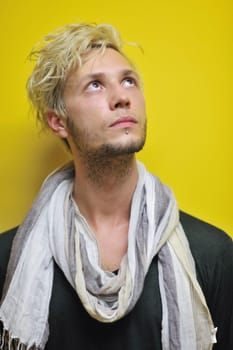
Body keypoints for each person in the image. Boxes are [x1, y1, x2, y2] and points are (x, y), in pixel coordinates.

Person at [0, 23, 232, 350]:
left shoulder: (211, 254)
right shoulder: (9, 258)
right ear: (59, 122)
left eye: (128, 81)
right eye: (95, 85)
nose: (122, 97)